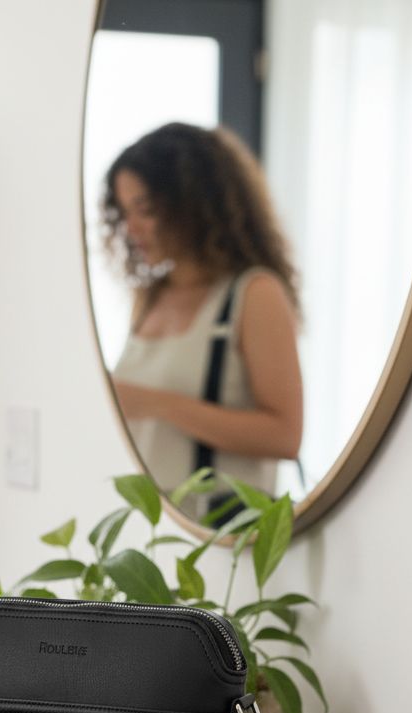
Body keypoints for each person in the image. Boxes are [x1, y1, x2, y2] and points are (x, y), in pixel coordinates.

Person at [102, 122, 303, 514]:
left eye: (145, 210)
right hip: (153, 527)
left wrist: (158, 404)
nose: (131, 228)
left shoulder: (254, 294)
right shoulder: (151, 297)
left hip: (217, 531)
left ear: (192, 205)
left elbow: (285, 436)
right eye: (124, 213)